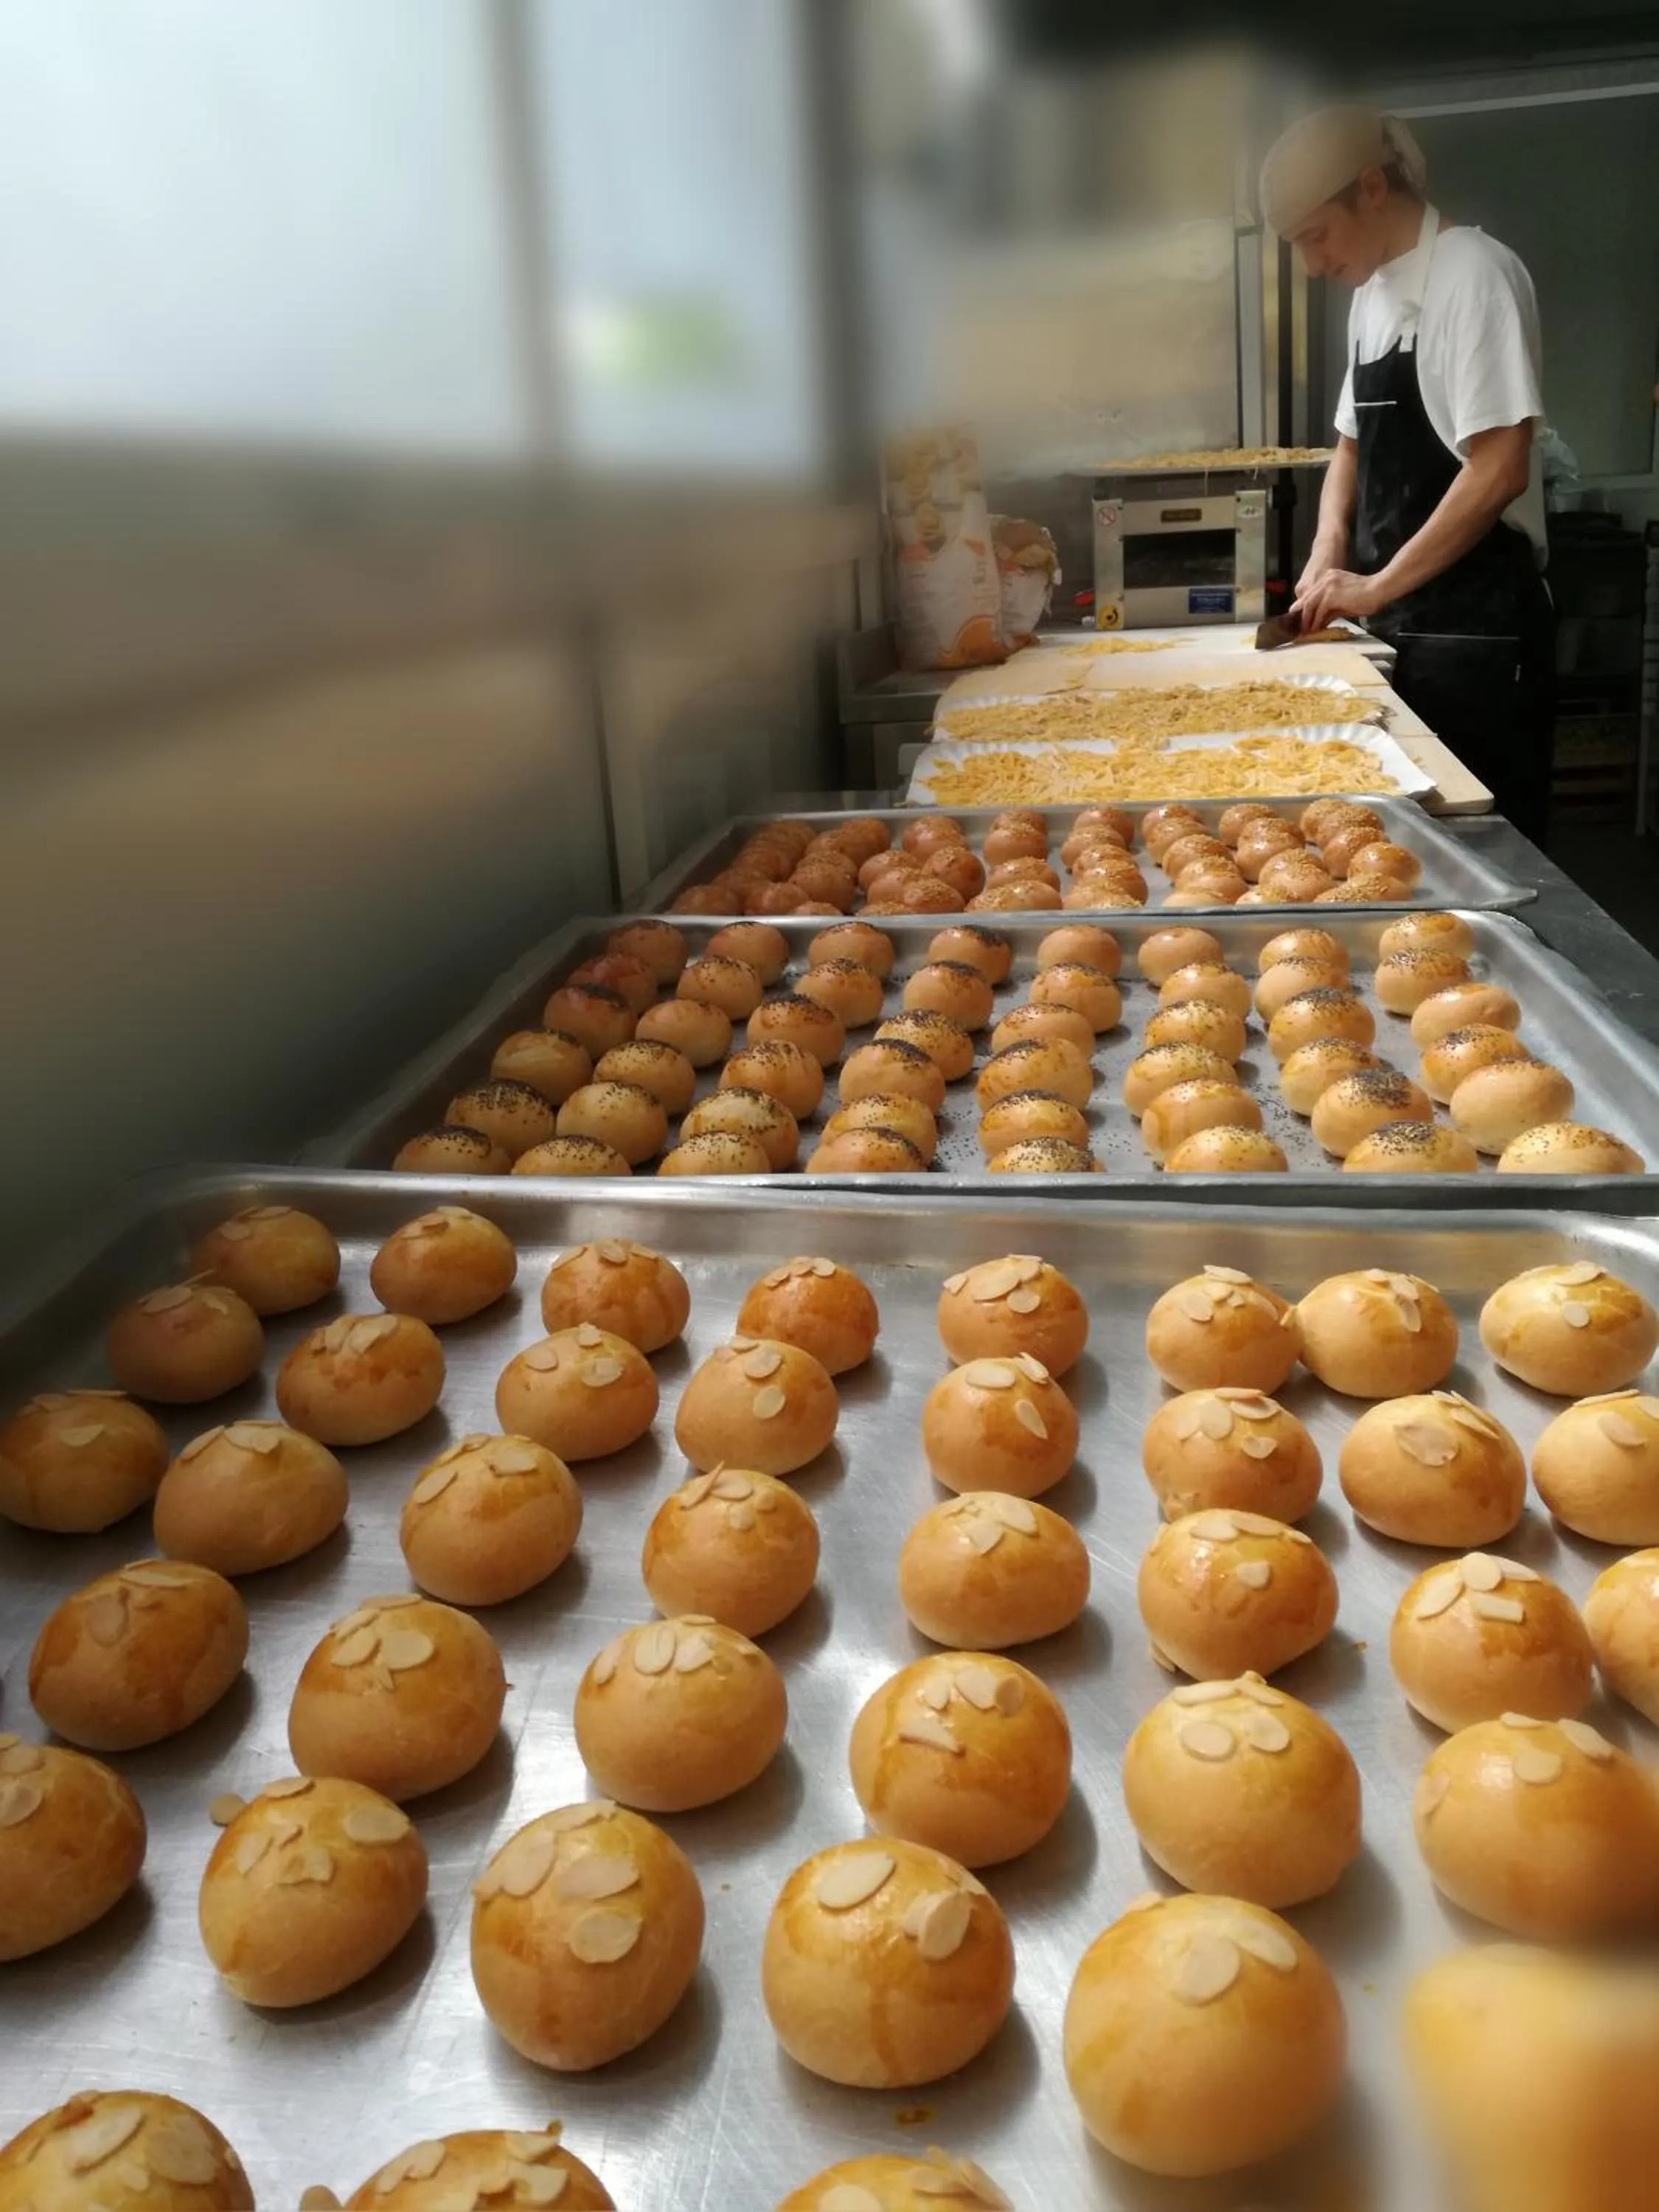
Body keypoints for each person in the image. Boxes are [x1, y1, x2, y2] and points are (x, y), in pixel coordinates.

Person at [1260, 105, 1554, 841]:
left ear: (1370, 188)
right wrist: (1328, 550)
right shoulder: (1372, 300)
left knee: (1485, 848)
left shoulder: (1474, 276)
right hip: (1399, 630)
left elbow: (1499, 469)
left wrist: (1376, 584)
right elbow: (1350, 448)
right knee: (1400, 844)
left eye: (1316, 237)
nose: (1314, 266)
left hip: (1477, 634)